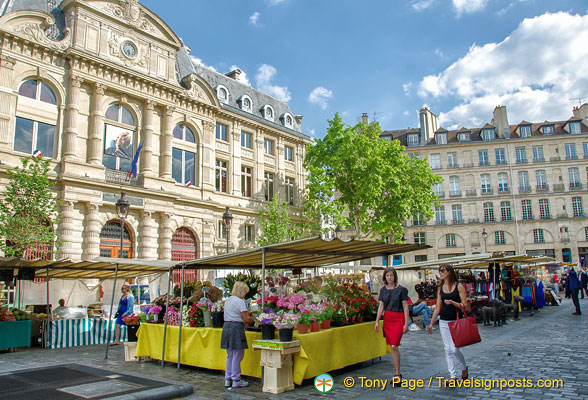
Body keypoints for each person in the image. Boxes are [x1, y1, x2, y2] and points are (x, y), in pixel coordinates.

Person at [427, 264, 469, 381]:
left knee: (454, 349)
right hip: (443, 321)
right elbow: (438, 307)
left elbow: (465, 306)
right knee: (447, 349)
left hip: (456, 321)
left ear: (449, 272)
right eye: (439, 271)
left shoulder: (459, 287)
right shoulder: (440, 288)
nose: (440, 273)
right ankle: (452, 376)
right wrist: (431, 323)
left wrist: (453, 303)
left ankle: (464, 367)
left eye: (442, 271)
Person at [374, 267, 409, 383]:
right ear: (385, 277)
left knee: (394, 345)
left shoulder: (402, 290)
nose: (390, 278)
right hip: (388, 318)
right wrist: (377, 321)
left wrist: (406, 322)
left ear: (395, 276)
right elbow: (381, 306)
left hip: (398, 318)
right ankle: (397, 373)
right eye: (387, 276)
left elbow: (405, 306)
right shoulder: (383, 290)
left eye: (391, 276)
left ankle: (398, 373)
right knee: (392, 346)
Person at [221, 281, 254, 389]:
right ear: (241, 291)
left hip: (226, 327)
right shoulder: (240, 301)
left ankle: (228, 379)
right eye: (245, 292)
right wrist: (254, 318)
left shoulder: (228, 301)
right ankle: (236, 380)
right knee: (238, 355)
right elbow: (246, 318)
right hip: (236, 328)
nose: (245, 295)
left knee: (230, 354)